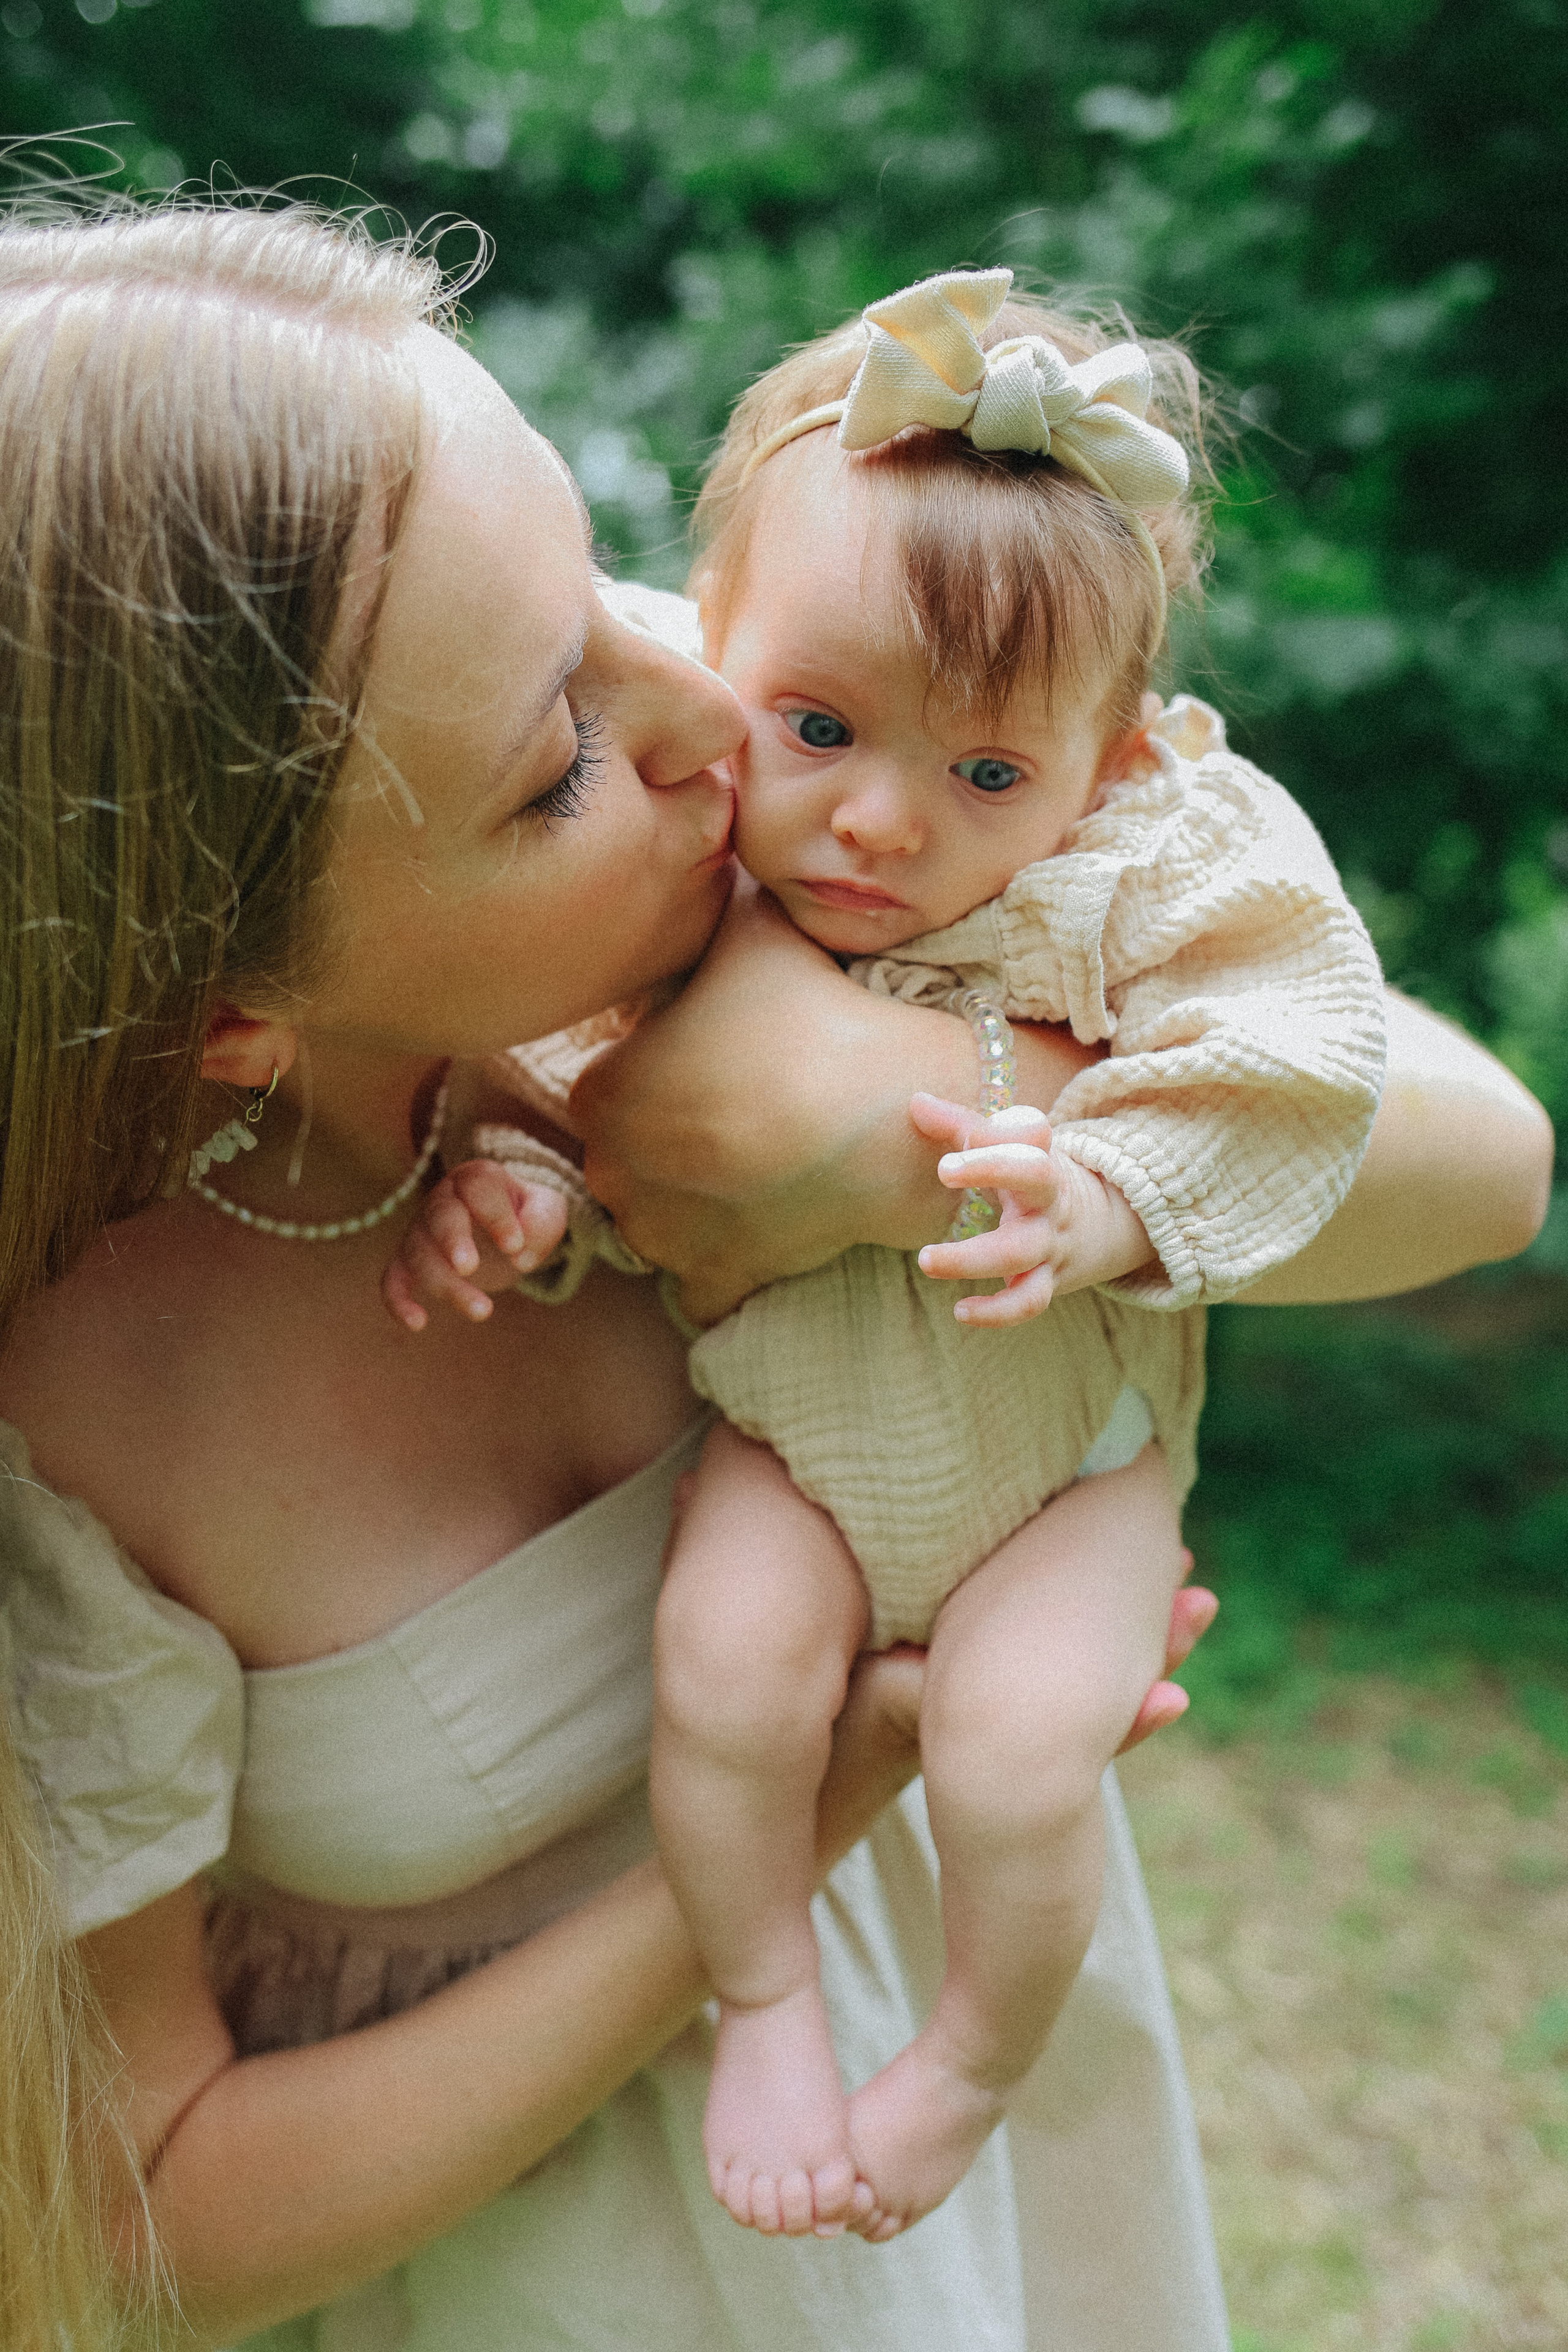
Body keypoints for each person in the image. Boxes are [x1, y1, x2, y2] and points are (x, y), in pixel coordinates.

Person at [0, 197, 1550, 2352]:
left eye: (618, 590)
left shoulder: (809, 775)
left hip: (1003, 2215)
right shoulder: (68, 1412)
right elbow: (134, 2227)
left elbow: (1480, 1160)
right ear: (220, 1013)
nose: (707, 719)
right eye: (559, 760)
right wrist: (822, 1804)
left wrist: (898, 1112)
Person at [387, 269, 1387, 2242]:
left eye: (986, 775)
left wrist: (1109, 1190)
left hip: (1069, 1465)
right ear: (712, 655)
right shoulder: (678, 876)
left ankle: (965, 2063)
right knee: (726, 1670)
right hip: (795, 1438)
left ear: (1109, 766)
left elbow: (1312, 1043)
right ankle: (761, 1996)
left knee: (1026, 1763)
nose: (875, 819)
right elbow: (593, 1117)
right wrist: (514, 1193)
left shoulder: (1148, 870)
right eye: (818, 723)